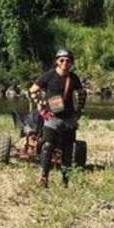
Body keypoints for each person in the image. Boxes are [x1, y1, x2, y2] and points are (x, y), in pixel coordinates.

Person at [28, 49, 86, 188]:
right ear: (57, 61)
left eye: (68, 60)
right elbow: (32, 91)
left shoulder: (73, 78)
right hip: (52, 117)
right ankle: (43, 177)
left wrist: (79, 111)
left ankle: (65, 181)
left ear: (71, 63)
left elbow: (82, 94)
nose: (65, 63)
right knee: (47, 146)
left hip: (68, 118)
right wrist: (41, 106)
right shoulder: (48, 76)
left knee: (68, 149)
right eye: (62, 60)